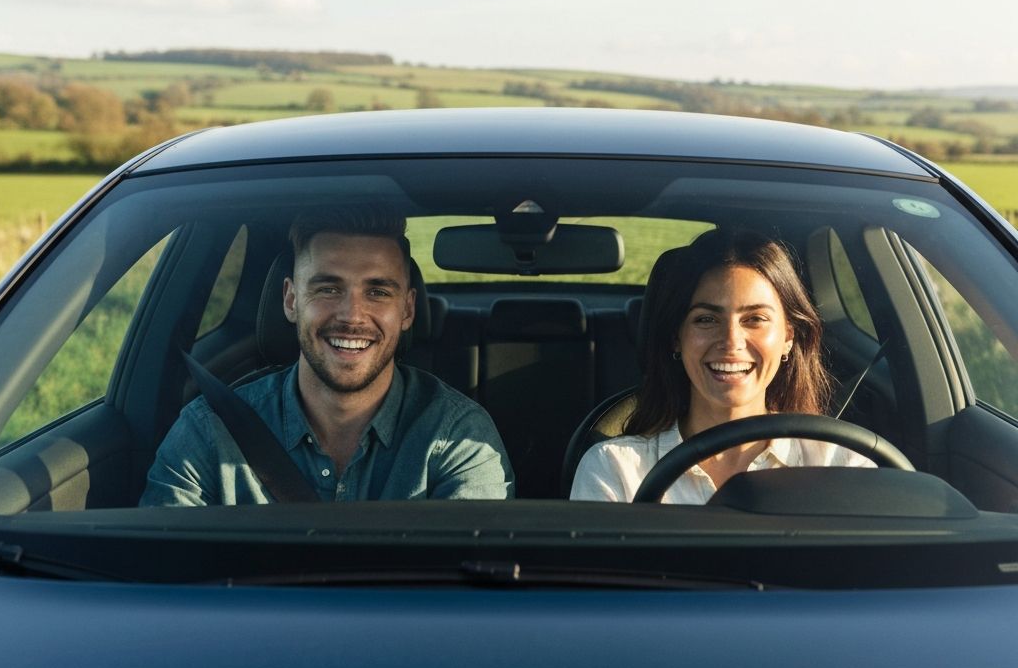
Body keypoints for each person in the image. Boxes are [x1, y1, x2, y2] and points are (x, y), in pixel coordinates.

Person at [142, 206, 513, 505]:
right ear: (290, 300)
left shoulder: (458, 439)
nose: (352, 316)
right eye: (328, 288)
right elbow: (156, 583)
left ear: (408, 310)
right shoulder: (209, 433)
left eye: (378, 292)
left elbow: (461, 594)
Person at [570, 229, 874, 504]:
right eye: (706, 319)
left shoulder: (843, 466)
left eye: (755, 319)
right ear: (677, 338)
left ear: (788, 337)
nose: (731, 342)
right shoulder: (616, 468)